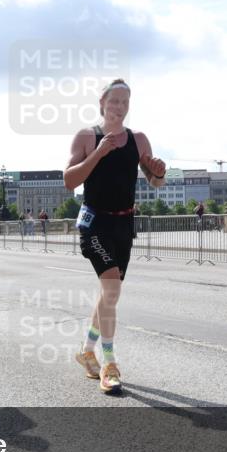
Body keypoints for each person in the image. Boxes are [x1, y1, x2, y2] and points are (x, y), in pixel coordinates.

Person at [64, 79, 167, 393]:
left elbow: (156, 182)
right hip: (94, 223)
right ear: (102, 103)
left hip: (124, 224)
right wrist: (98, 152)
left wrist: (158, 170)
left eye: (125, 102)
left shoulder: (138, 139)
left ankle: (86, 351)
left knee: (109, 294)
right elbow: (70, 180)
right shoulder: (87, 136)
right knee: (110, 288)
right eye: (114, 101)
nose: (119, 107)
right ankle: (109, 363)